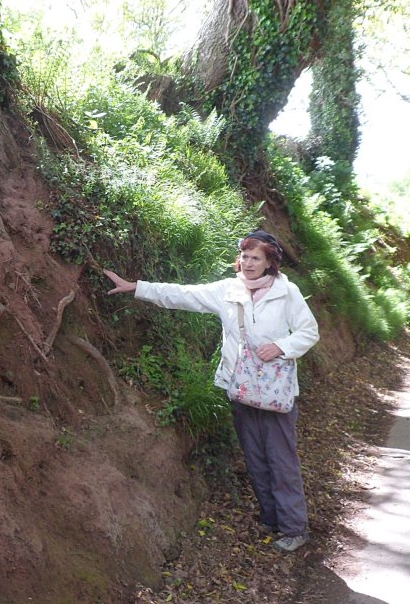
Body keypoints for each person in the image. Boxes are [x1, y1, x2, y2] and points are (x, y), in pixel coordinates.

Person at [104, 230, 319, 552]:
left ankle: (293, 527)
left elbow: (309, 332)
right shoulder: (228, 290)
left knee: (281, 459)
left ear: (270, 262)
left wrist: (281, 346)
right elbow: (183, 294)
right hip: (242, 387)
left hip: (274, 393)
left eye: (255, 258)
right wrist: (137, 288)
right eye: (245, 256)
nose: (248, 263)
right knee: (256, 458)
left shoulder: (287, 293)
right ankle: (271, 517)